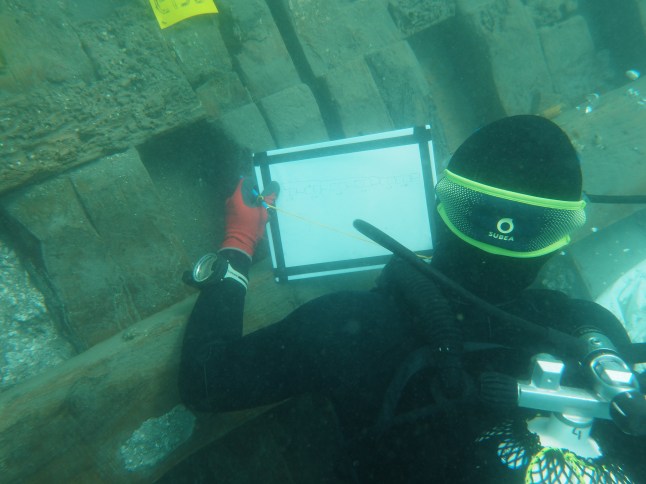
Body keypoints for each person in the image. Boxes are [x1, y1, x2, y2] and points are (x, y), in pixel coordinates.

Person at [178, 115, 645, 483]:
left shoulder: (348, 327)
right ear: (556, 239)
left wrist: (238, 242)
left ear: (441, 207)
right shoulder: (592, 334)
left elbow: (206, 381)